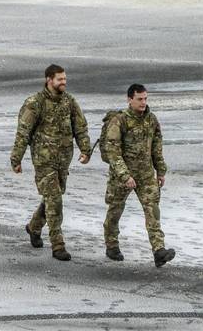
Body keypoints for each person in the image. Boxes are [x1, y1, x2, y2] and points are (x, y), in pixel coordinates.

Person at [10, 64, 92, 261]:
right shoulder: (34, 103)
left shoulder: (69, 102)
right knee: (55, 200)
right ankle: (58, 245)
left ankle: (34, 227)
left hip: (63, 160)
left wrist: (85, 149)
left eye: (64, 79)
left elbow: (80, 127)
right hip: (43, 160)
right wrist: (16, 158)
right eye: (59, 79)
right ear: (49, 80)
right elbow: (23, 132)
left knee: (51, 199)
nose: (63, 82)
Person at [102, 83, 173, 266]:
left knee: (152, 211)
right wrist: (125, 176)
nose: (143, 102)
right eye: (139, 99)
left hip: (146, 174)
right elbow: (112, 151)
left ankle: (159, 250)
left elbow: (156, 147)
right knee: (115, 210)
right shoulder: (119, 121)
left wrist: (161, 170)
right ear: (129, 100)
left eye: (145, 99)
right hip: (122, 176)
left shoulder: (152, 119)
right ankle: (112, 245)